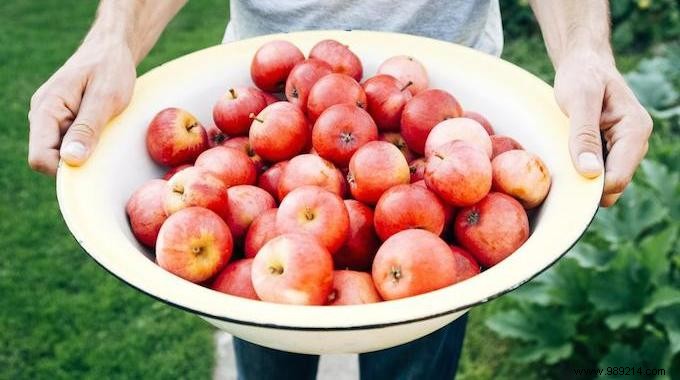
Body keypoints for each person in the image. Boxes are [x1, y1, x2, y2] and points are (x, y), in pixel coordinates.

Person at [27, 1, 652, 379]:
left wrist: (585, 51)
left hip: (442, 106)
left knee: (417, 342)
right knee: (265, 339)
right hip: (269, 106)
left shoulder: (443, 168)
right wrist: (111, 40)